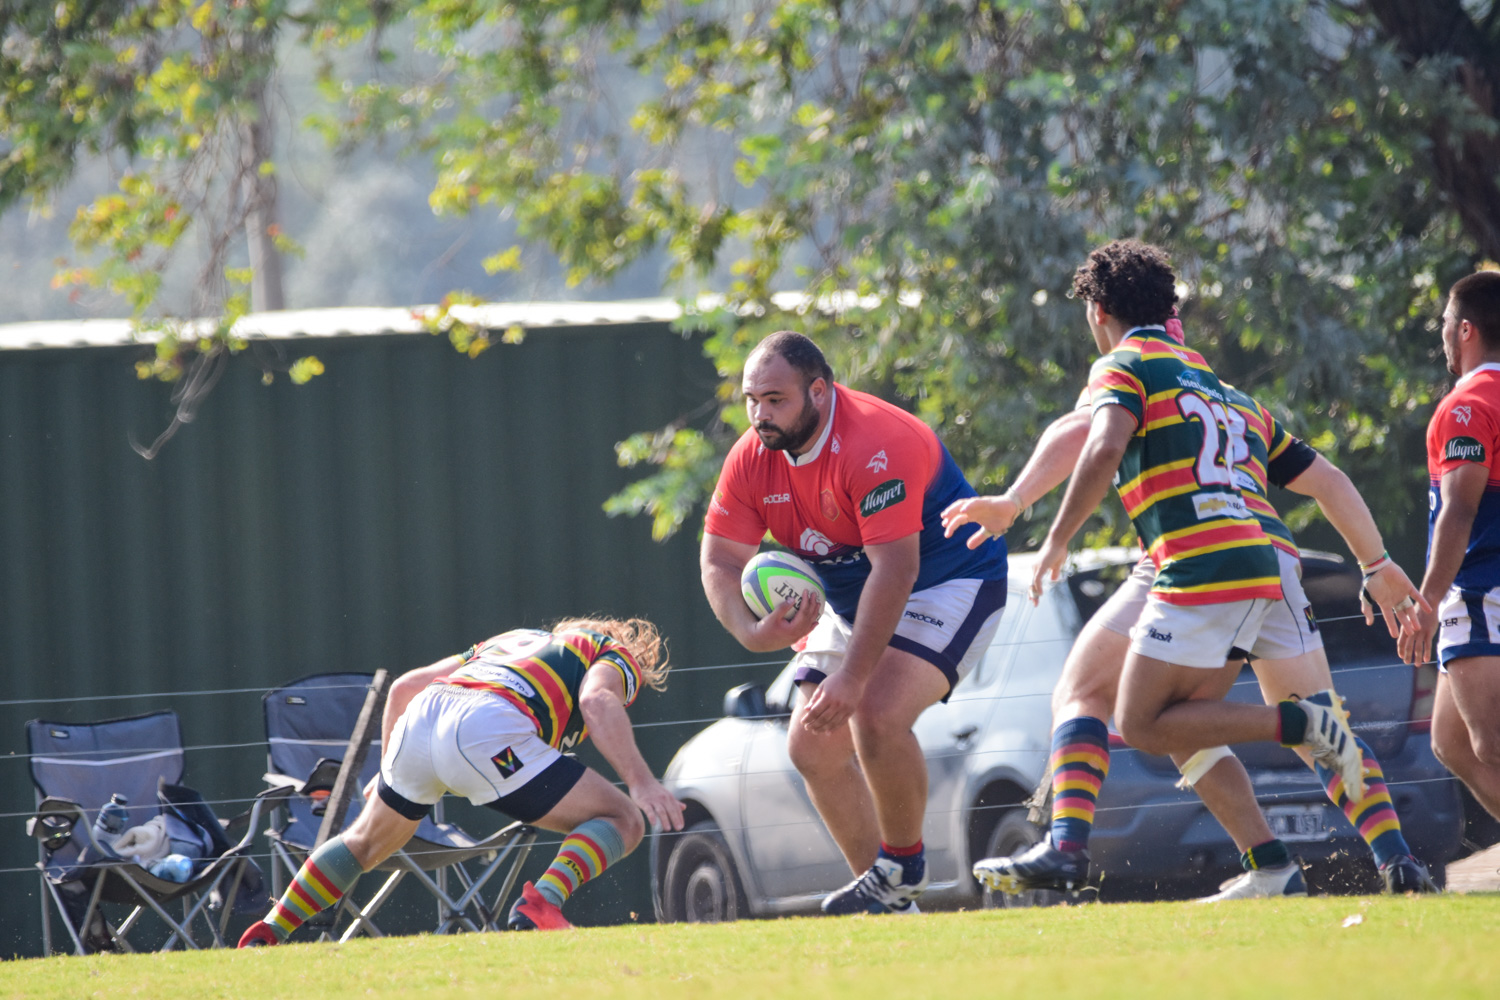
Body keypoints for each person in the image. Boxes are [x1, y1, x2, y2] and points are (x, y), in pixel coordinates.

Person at [945, 319, 1437, 898]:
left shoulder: (1129, 367)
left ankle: (1068, 847)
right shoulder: (1231, 396)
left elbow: (1086, 435)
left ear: (1099, 314)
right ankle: (1392, 863)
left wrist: (1020, 504)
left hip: (1194, 556)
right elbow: (1327, 478)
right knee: (1232, 723)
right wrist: (1375, 564)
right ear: (1175, 321)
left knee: (1102, 700)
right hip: (1274, 557)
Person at [699, 331, 1008, 915]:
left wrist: (852, 677)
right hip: (854, 596)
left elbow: (896, 568)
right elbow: (719, 557)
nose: (760, 415)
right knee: (811, 747)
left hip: (949, 581)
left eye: (775, 399)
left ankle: (902, 869)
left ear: (819, 390)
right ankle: (890, 903)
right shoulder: (753, 456)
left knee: (876, 713)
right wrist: (747, 629)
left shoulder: (873, 443)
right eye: (751, 400)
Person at [238, 617, 683, 945]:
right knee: (623, 818)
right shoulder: (613, 654)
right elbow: (598, 699)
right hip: (486, 723)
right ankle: (542, 901)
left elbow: (404, 688)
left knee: (366, 843)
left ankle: (271, 928)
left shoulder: (513, 639)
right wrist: (642, 783)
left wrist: (384, 772)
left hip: (424, 715)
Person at [1400, 269, 1500, 827]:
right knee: (1452, 742)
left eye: (1443, 323)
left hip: (1482, 589)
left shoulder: (1467, 406)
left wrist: (1427, 602)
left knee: (1490, 744)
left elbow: (1460, 510)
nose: (1440, 334)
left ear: (1465, 331)